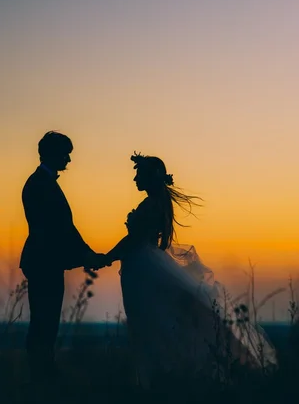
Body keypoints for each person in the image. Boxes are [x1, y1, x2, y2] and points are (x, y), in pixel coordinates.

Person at [104, 152, 278, 390]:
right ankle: (162, 380)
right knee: (152, 324)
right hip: (144, 266)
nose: (135, 178)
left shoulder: (152, 204)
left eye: (138, 173)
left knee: (151, 324)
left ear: (149, 176)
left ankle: (160, 381)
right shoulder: (158, 202)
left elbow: (133, 239)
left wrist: (106, 257)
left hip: (144, 270)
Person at [19, 131, 106, 380]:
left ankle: (42, 369)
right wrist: (87, 255)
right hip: (44, 262)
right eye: (65, 154)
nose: (68, 160)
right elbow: (59, 229)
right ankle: (41, 373)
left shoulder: (43, 183)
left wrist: (86, 254)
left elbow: (63, 228)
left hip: (46, 261)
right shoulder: (40, 184)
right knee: (44, 320)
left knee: (46, 319)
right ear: (52, 154)